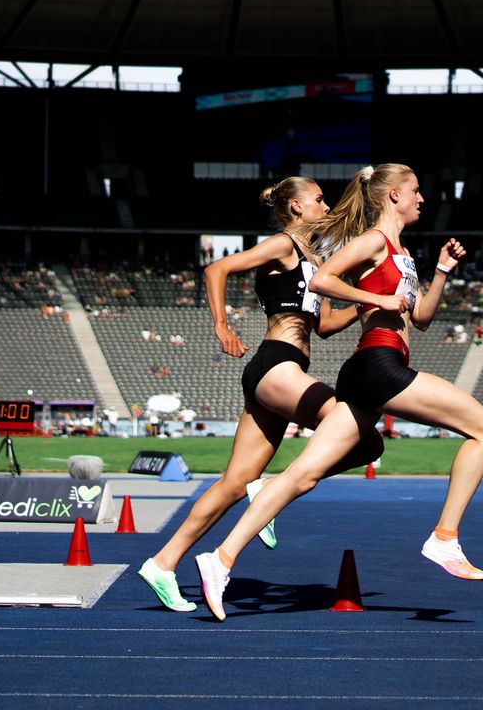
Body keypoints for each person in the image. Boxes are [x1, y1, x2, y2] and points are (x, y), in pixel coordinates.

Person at [195, 163, 483, 620]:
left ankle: (219, 559)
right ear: (393, 196)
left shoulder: (401, 253)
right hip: (377, 366)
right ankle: (444, 538)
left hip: (375, 368)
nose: (422, 199)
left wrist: (440, 272)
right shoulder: (374, 241)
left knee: (301, 476)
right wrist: (377, 300)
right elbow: (321, 281)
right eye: (415, 191)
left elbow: (420, 318)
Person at [136, 176, 399, 614]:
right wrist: (221, 324)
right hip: (275, 365)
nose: (324, 204)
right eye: (317, 199)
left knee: (233, 484)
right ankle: (273, 487)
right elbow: (216, 269)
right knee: (359, 431)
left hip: (281, 372)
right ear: (295, 207)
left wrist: (374, 300)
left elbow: (328, 326)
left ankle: (162, 564)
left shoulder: (317, 260)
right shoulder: (283, 245)